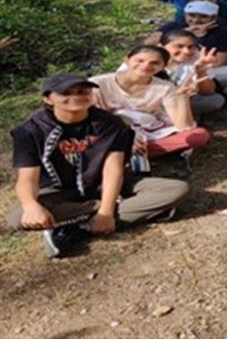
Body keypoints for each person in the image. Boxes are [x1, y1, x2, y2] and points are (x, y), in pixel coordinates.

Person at [7, 73, 189, 258]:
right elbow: (27, 179)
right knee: (18, 216)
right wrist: (30, 205)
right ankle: (137, 210)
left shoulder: (109, 123)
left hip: (103, 184)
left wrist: (106, 212)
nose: (76, 97)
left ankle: (77, 229)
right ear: (47, 99)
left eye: (83, 91)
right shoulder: (30, 131)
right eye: (65, 93)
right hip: (60, 190)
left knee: (175, 189)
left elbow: (113, 170)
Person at [91, 46, 210, 159]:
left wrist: (183, 98)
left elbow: (183, 126)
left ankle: (128, 153)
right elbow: (89, 117)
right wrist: (125, 136)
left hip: (148, 132)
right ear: (127, 60)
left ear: (163, 67)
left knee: (198, 136)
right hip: (110, 131)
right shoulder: (98, 83)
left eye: (155, 63)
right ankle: (125, 151)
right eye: (140, 60)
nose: (146, 66)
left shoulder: (166, 87)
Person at [159, 1, 227, 96]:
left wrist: (198, 69)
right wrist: (186, 32)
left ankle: (216, 87)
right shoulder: (175, 27)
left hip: (217, 66)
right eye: (191, 15)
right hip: (182, 65)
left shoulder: (223, 33)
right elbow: (153, 44)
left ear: (213, 18)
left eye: (203, 16)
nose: (196, 20)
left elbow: (222, 61)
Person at [159, 29, 226, 116]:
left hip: (183, 98)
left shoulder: (199, 59)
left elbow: (208, 92)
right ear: (162, 47)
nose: (186, 51)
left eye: (191, 47)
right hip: (155, 99)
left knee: (215, 100)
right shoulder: (151, 59)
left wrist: (200, 73)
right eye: (179, 46)